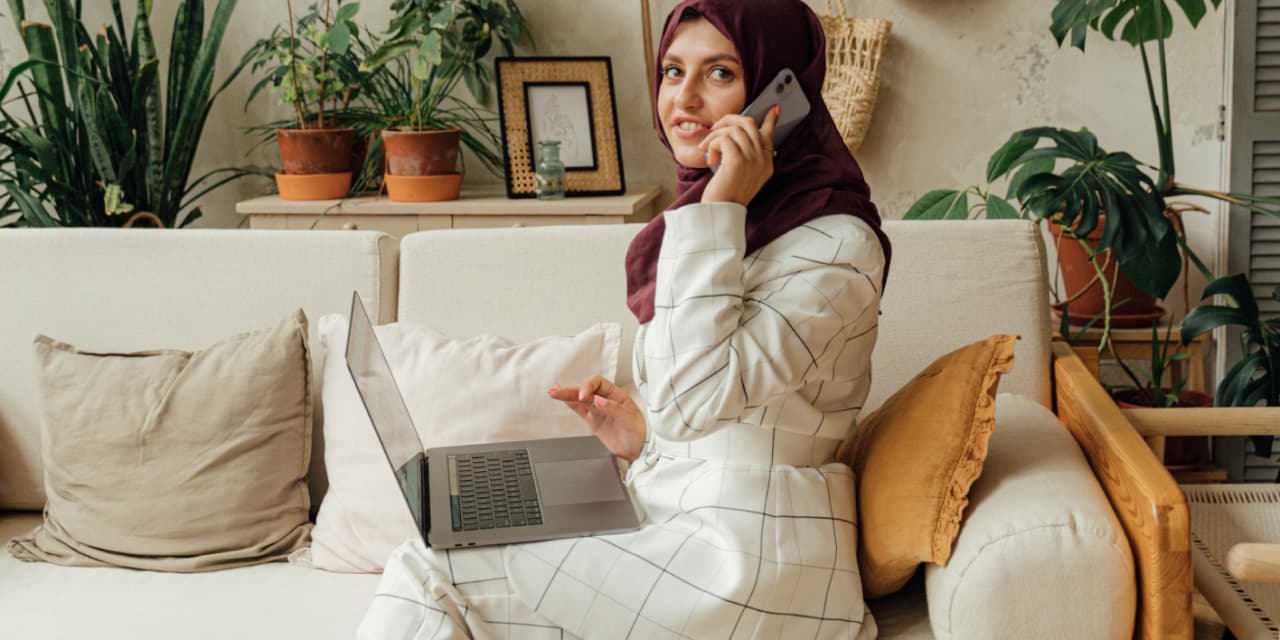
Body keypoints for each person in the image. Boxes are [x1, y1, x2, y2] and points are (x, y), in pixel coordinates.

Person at [358, 0, 891, 637]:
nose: (685, 99)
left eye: (720, 73)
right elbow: (702, 406)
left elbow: (693, 398)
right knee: (454, 532)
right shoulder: (727, 222)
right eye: (672, 72)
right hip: (678, 515)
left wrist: (719, 205)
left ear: (781, 95)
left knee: (430, 567)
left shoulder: (835, 248)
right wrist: (645, 439)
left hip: (753, 558)